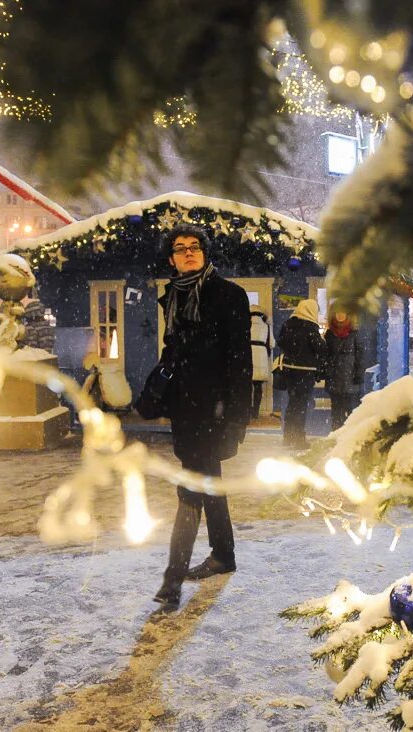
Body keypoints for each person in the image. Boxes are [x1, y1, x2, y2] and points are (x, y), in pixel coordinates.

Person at [153, 224, 252, 608]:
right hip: (186, 409)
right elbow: (172, 354)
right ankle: (223, 554)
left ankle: (172, 578)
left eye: (195, 247)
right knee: (209, 482)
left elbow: (240, 360)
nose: (189, 252)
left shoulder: (229, 295)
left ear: (205, 253)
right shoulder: (173, 298)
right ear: (172, 259)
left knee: (191, 486)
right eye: (181, 248)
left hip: (216, 411)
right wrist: (156, 392)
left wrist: (236, 416)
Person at [278, 299, 325, 449]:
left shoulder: (288, 324)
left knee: (292, 404)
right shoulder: (310, 326)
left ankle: (288, 437)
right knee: (301, 405)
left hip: (289, 370)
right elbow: (320, 348)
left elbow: (281, 342)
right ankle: (298, 439)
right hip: (305, 372)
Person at [324, 307, 364, 429]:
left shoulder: (354, 333)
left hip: (349, 376)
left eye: (343, 312)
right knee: (336, 409)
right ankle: (336, 432)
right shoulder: (330, 334)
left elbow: (359, 356)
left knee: (349, 408)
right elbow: (326, 355)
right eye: (338, 312)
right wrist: (327, 372)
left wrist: (358, 375)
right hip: (334, 376)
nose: (340, 315)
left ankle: (347, 434)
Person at [249, 305, 272, 419]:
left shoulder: (245, 325)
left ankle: (246, 411)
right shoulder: (266, 326)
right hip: (261, 356)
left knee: (247, 387)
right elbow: (271, 343)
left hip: (248, 354)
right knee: (258, 387)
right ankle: (255, 412)